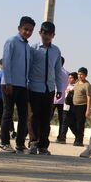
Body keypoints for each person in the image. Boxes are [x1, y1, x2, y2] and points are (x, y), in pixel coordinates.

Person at [0, 16, 35, 153]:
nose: (28, 32)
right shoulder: (11, 41)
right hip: (9, 84)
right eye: (26, 29)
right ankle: (4, 143)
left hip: (22, 85)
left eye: (31, 30)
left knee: (23, 114)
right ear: (19, 28)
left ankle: (20, 143)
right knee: (8, 113)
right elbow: (6, 62)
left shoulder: (27, 46)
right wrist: (8, 81)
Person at [27, 21, 63, 155]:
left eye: (50, 34)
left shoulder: (56, 51)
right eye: (44, 33)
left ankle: (43, 145)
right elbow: (28, 68)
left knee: (45, 118)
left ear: (53, 35)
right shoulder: (33, 49)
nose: (46, 36)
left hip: (49, 89)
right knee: (32, 117)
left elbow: (58, 71)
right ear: (40, 33)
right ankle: (33, 142)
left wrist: (59, 89)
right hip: (34, 88)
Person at [0, 59, 14, 138]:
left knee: (1, 115)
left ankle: (4, 132)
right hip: (9, 97)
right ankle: (12, 130)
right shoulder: (11, 73)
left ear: (1, 65)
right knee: (9, 114)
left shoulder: (1, 73)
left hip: (0, 98)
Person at [70, 67, 91, 147]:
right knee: (70, 122)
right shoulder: (77, 83)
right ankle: (78, 136)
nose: (80, 76)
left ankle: (79, 141)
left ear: (85, 75)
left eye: (81, 74)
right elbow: (74, 90)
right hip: (74, 105)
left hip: (82, 106)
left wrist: (88, 110)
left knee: (80, 124)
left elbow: (89, 97)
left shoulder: (87, 85)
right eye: (78, 74)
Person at [51, 56, 69, 143]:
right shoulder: (68, 74)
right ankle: (61, 137)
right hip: (63, 99)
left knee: (47, 118)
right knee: (62, 120)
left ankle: (43, 135)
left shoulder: (53, 72)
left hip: (53, 98)